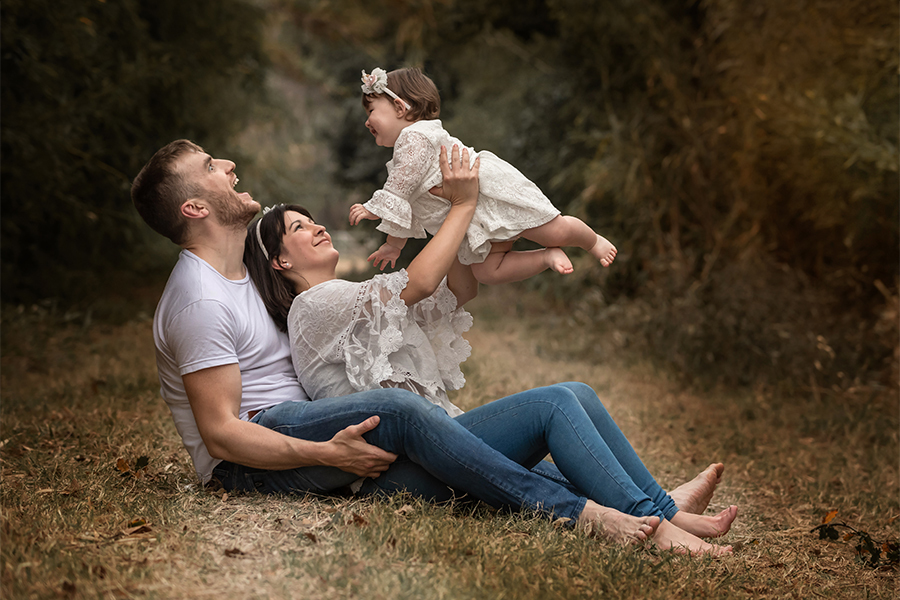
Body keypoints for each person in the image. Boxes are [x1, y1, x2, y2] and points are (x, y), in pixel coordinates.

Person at [131, 138, 733, 556]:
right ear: (195, 206)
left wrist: (459, 215)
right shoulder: (200, 299)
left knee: (561, 398)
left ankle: (657, 507)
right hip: (259, 459)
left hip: (328, 438)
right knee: (408, 410)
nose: (229, 164)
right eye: (211, 165)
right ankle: (599, 515)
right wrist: (329, 456)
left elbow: (444, 289)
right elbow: (222, 436)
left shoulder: (242, 280)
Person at [348, 67, 618, 284]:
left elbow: (399, 186)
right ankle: (546, 258)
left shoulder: (415, 136)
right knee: (488, 272)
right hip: (471, 219)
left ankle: (592, 240)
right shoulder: (404, 152)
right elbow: (406, 200)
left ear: (399, 107)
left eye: (371, 111)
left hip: (489, 197)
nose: (366, 121)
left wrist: (374, 208)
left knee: (555, 231)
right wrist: (394, 245)